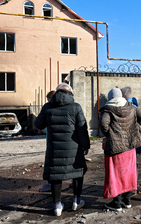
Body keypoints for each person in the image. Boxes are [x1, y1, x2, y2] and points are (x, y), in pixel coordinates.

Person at [34, 83, 90, 216]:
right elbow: (82, 129)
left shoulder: (47, 106)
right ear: (70, 93)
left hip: (54, 148)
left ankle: (57, 206)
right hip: (74, 148)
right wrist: (86, 145)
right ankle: (76, 201)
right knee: (77, 172)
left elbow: (38, 124)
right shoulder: (76, 107)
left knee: (56, 175)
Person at [100, 88, 141, 212]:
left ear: (110, 98)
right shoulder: (131, 106)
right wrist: (136, 127)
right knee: (128, 173)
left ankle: (117, 203)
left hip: (115, 147)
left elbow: (104, 124)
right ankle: (127, 200)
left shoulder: (108, 109)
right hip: (130, 146)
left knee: (115, 174)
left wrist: (110, 134)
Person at [38, 90, 56, 193]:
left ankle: (51, 184)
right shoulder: (71, 106)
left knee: (51, 162)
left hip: (52, 138)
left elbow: (39, 124)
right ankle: (75, 181)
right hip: (66, 140)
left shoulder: (48, 107)